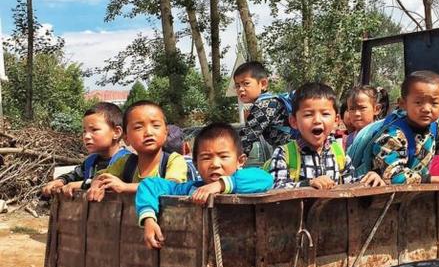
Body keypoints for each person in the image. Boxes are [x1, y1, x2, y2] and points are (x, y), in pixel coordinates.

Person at [136, 122, 274, 249]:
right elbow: (150, 185)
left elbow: (265, 179)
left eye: (223, 156)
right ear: (196, 164)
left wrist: (220, 185)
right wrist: (149, 218)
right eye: (206, 157)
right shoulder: (191, 189)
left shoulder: (245, 181)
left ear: (240, 161)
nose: (215, 164)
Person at [351, 70, 439, 190]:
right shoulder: (393, 133)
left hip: (413, 194)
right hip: (381, 199)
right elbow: (392, 175)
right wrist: (431, 180)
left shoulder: (436, 124)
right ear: (402, 104)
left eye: (434, 103)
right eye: (418, 102)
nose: (426, 109)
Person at [267, 82, 384, 190]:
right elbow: (276, 186)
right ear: (294, 122)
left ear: (336, 120)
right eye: (308, 114)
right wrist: (308, 184)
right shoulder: (284, 154)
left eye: (325, 114)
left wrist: (368, 179)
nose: (317, 120)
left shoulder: (339, 152)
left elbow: (349, 183)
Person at [87, 100, 188, 202]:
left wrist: (125, 187)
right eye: (138, 127)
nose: (148, 132)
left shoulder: (174, 160)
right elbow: (101, 176)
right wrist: (96, 185)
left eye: (156, 125)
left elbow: (170, 186)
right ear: (126, 138)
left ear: (166, 133)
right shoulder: (126, 162)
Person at [42, 102, 129, 198]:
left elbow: (107, 183)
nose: (86, 136)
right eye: (84, 131)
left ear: (116, 132)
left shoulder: (128, 161)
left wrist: (80, 185)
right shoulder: (90, 161)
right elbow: (74, 175)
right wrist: (60, 181)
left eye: (94, 130)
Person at [234, 61, 294, 164]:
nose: (241, 89)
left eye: (246, 83)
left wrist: (235, 161)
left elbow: (247, 137)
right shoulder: (272, 100)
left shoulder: (263, 105)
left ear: (263, 84)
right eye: (237, 85)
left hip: (292, 154)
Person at [344, 85, 382, 150]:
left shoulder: (381, 137)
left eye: (362, 108)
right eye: (352, 109)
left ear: (376, 109)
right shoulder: (349, 139)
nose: (356, 114)